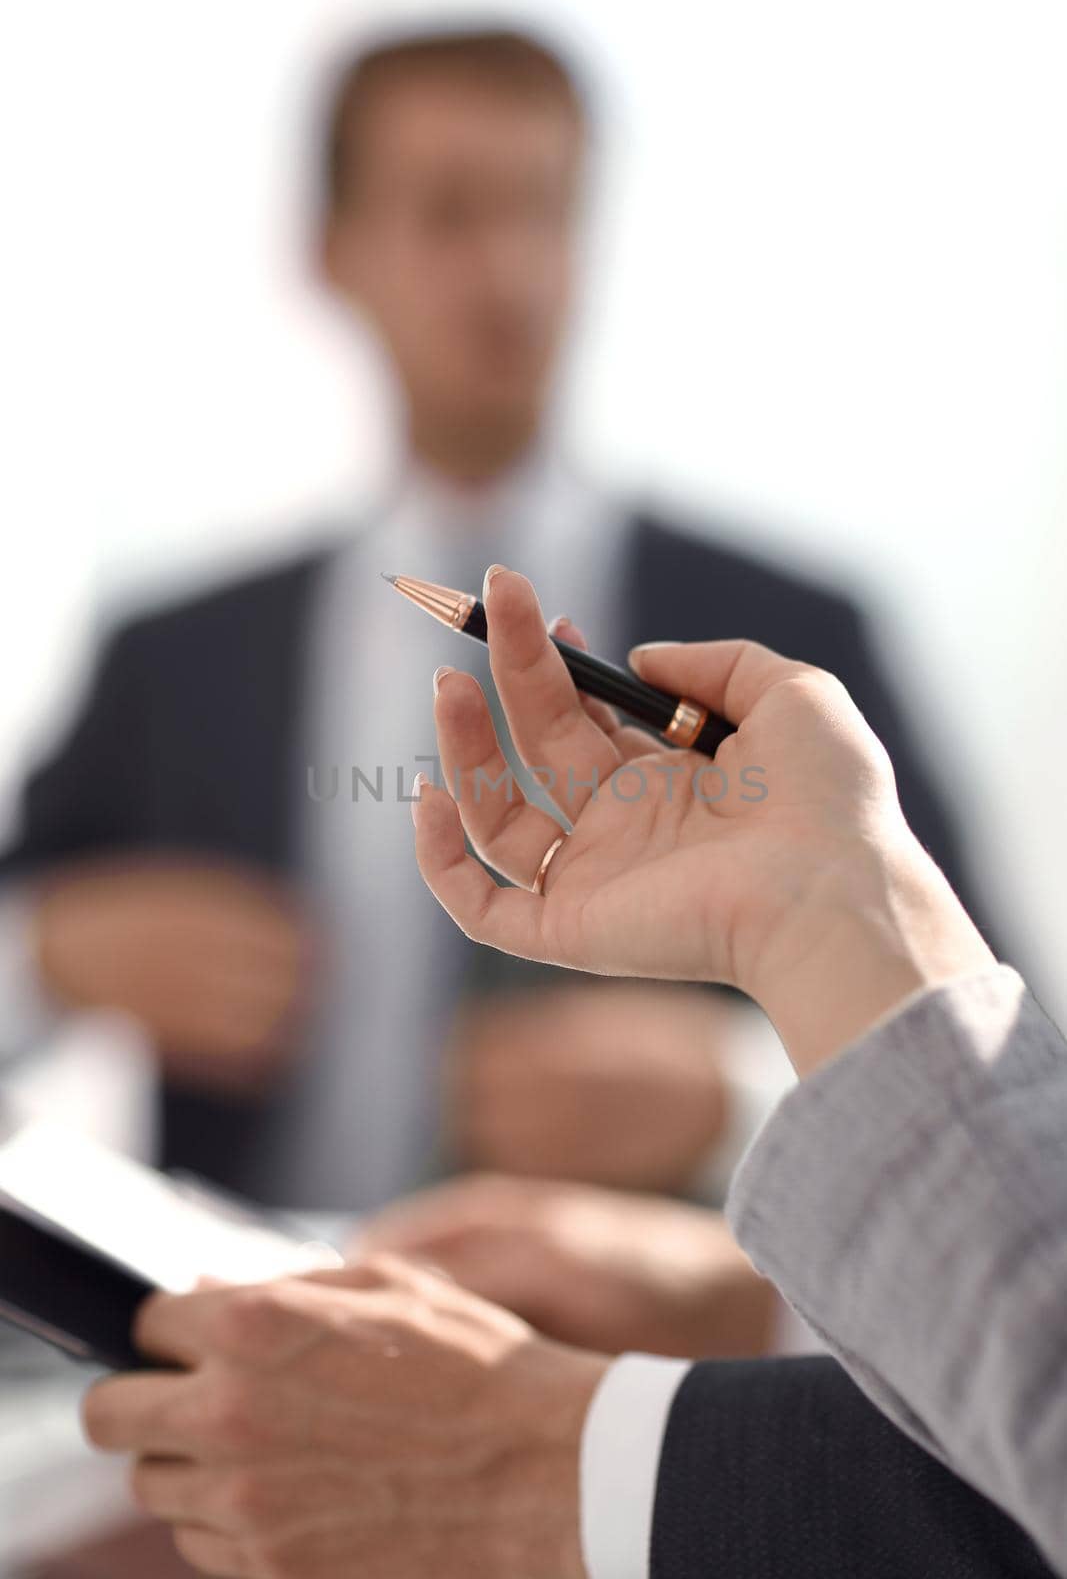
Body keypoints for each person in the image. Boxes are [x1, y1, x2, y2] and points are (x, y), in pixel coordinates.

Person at [0, 25, 1001, 1220]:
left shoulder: (792, 641)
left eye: (544, 209)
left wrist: (728, 1096)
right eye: (448, 213)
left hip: (643, 1373)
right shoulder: (172, 660)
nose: (510, 274)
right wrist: (47, 957)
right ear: (331, 251)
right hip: (243, 1349)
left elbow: (995, 1034)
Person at [82, 568, 1066, 1578]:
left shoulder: (796, 612)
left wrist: (561, 1463)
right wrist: (756, 1304)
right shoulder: (174, 636)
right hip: (275, 1348)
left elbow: (1013, 1010)